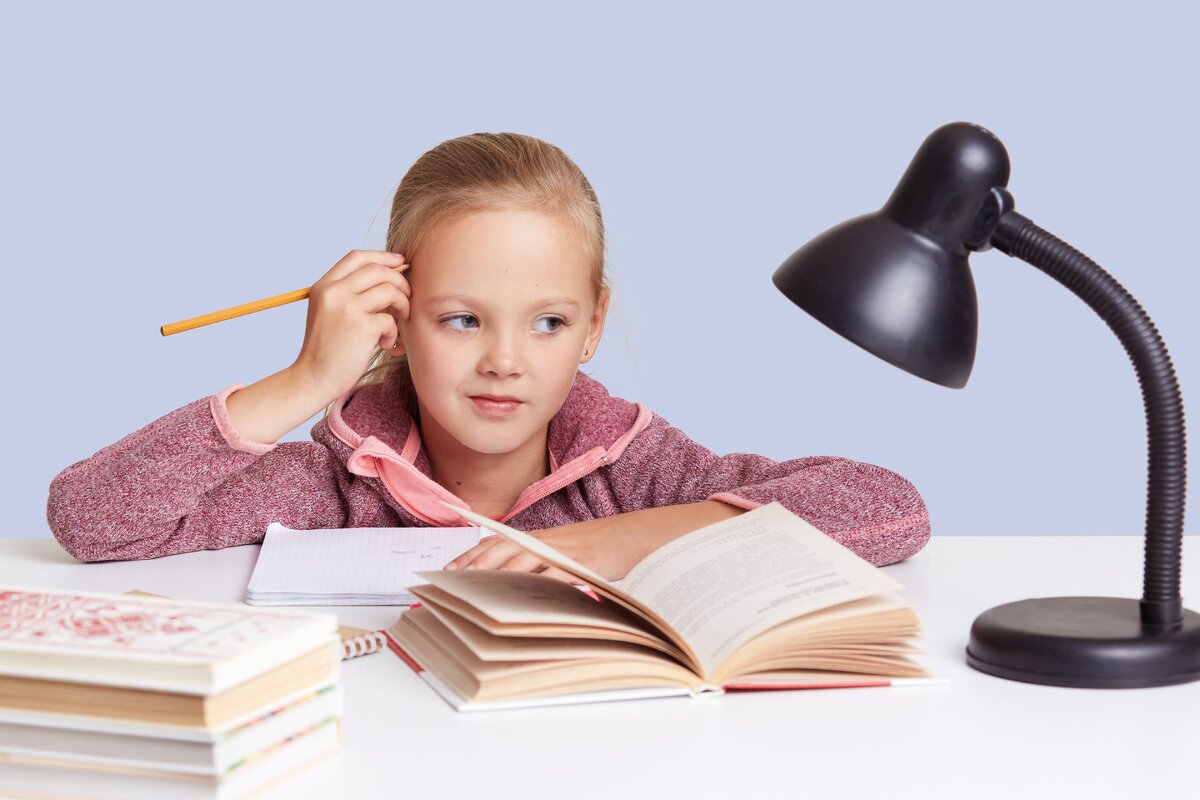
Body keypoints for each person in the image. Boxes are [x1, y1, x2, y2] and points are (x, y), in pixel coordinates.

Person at [47, 132, 929, 579]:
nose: (505, 360)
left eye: (547, 323)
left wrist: (604, 543)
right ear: (395, 319)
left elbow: (889, 510)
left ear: (592, 326)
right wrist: (308, 378)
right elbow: (92, 520)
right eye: (463, 319)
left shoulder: (635, 468)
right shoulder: (335, 485)